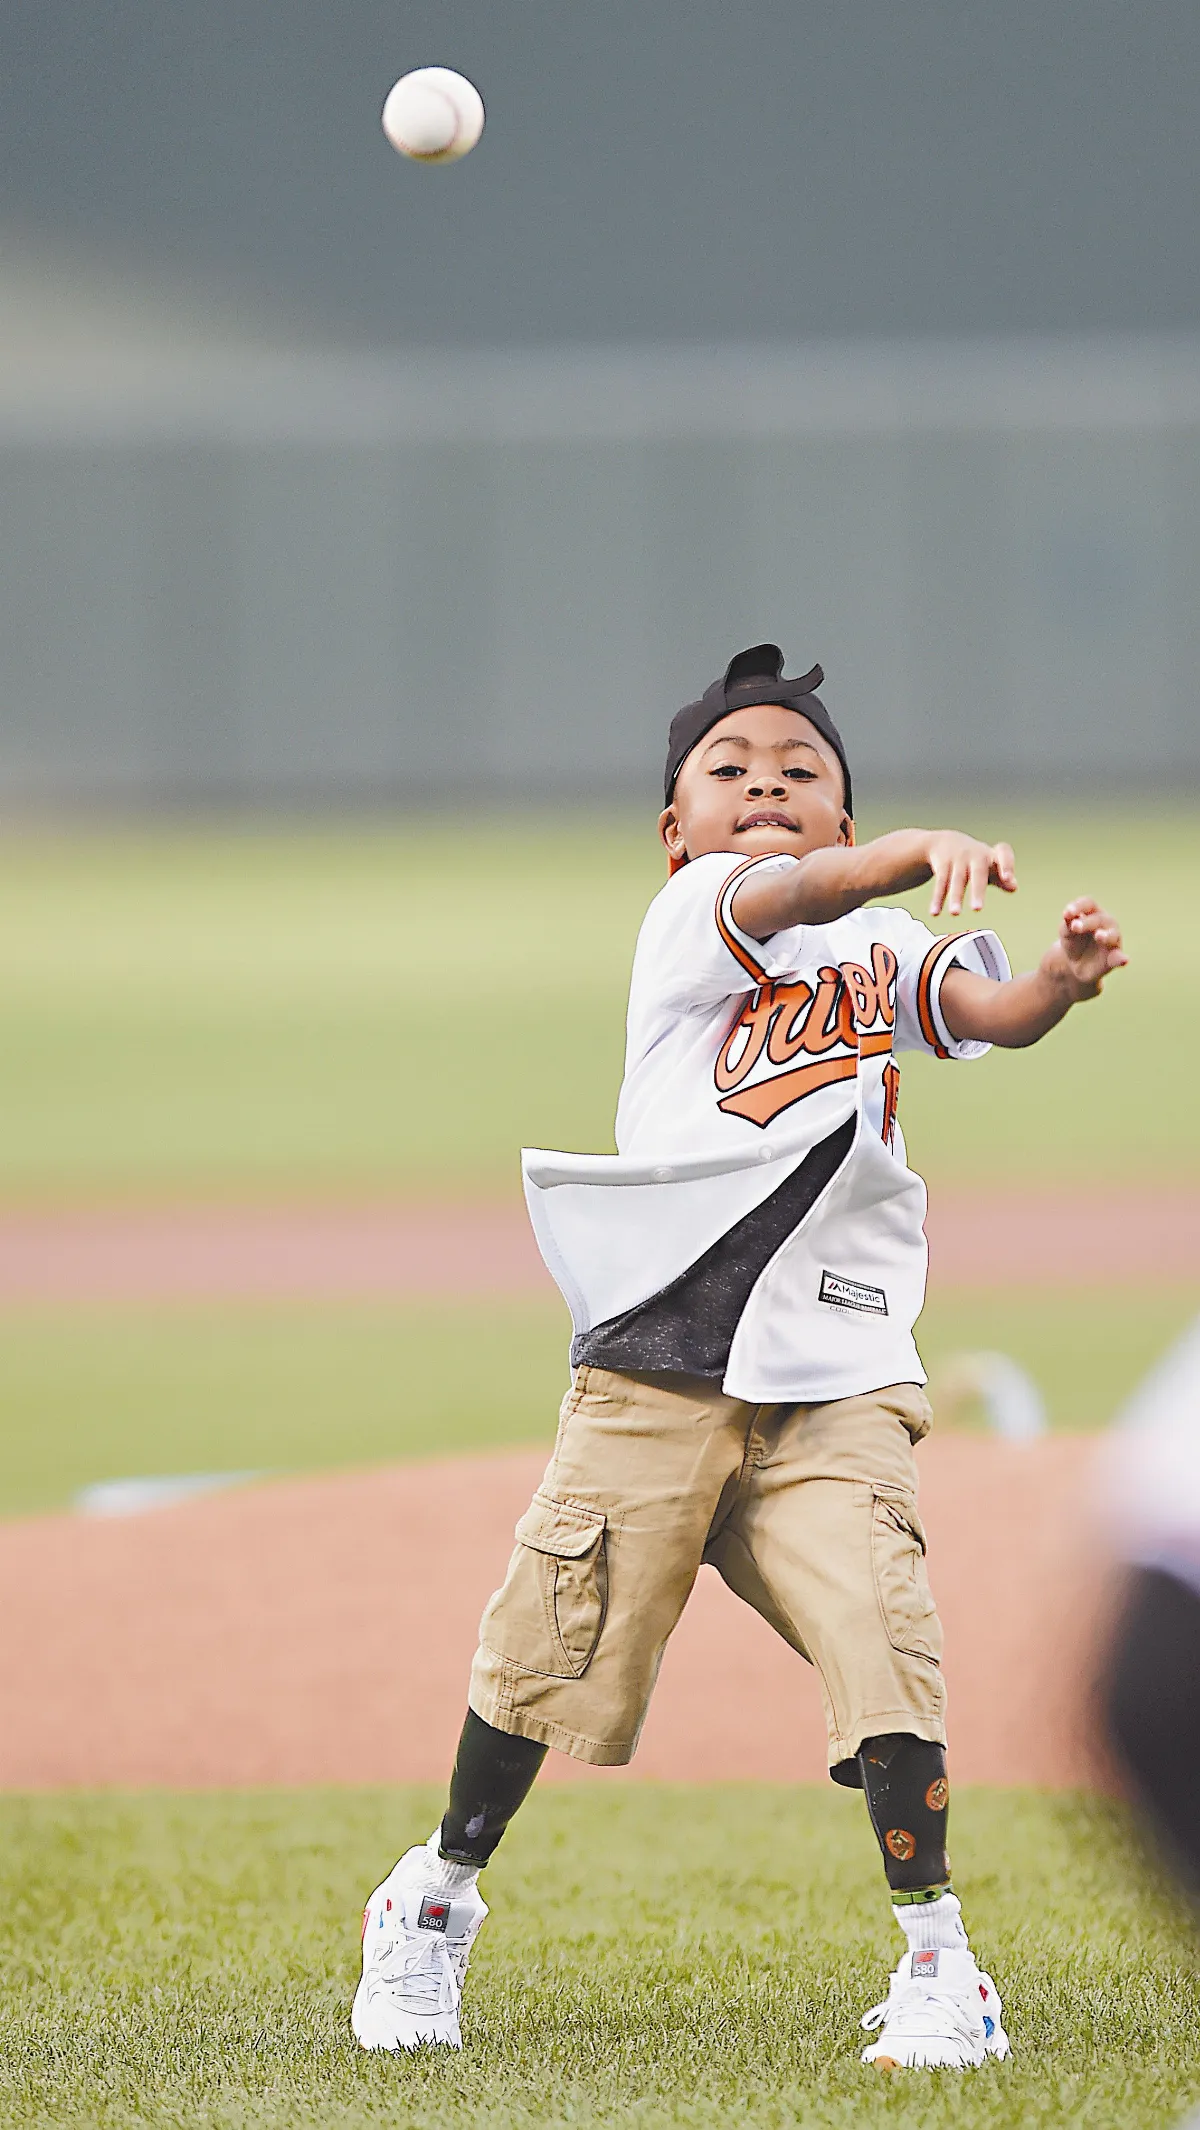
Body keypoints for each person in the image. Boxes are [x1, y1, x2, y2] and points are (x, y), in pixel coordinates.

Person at [352, 645, 1127, 2067]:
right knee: (555, 1642)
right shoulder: (695, 916)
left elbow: (982, 1014)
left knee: (884, 1631)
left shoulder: (878, 950)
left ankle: (940, 1961)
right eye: (730, 769)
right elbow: (798, 894)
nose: (765, 783)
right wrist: (910, 850)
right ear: (676, 829)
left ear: (840, 809)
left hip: (838, 1364)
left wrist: (1059, 984)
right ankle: (433, 1896)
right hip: (659, 1357)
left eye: (799, 769)